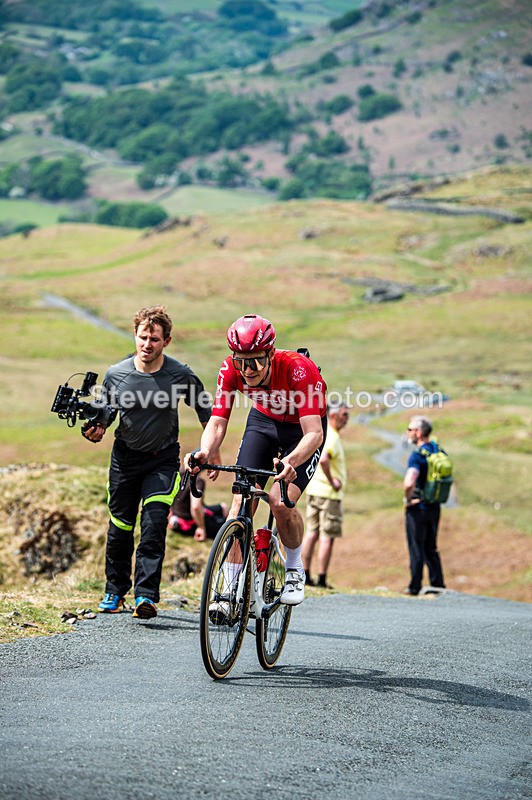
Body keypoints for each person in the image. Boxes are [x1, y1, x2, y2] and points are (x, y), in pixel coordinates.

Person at [185, 314, 327, 606]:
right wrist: (204, 451)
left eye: (256, 361)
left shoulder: (300, 370)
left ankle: (294, 569)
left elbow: (314, 433)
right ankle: (228, 589)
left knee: (279, 501)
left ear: (271, 354)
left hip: (300, 431)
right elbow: (217, 421)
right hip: (263, 422)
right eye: (241, 361)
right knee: (240, 504)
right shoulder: (230, 369)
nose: (248, 369)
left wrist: (292, 461)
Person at [83, 305, 213, 619]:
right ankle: (114, 590)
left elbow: (208, 411)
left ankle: (145, 596)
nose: (147, 344)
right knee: (120, 527)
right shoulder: (116, 373)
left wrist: (210, 448)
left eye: (154, 339)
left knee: (154, 526)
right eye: (143, 337)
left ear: (166, 341)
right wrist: (96, 430)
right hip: (125, 460)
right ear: (136, 335)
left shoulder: (179, 373)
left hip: (163, 461)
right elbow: (105, 416)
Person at [302, 402, 349, 588]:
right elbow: (323, 460)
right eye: (344, 414)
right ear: (333, 415)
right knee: (326, 536)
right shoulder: (333, 436)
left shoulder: (322, 432)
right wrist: (333, 481)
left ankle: (305, 575)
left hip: (314, 490)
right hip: (328, 494)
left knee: (311, 533)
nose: (347, 419)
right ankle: (321, 579)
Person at [402, 415, 446, 596]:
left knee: (416, 547)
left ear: (419, 433)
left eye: (410, 429)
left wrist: (407, 499)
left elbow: (409, 482)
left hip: (417, 508)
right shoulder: (438, 451)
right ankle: (438, 584)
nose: (408, 433)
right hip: (434, 507)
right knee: (431, 547)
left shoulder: (417, 456)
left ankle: (414, 586)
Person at [168, 467, 228, 541]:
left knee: (223, 507)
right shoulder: (197, 481)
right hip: (189, 524)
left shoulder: (177, 473)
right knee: (227, 525)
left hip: (176, 521)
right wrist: (201, 528)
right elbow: (195, 507)